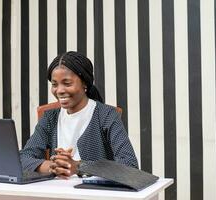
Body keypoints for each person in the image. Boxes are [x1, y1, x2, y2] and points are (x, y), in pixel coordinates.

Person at [20, 51, 138, 179]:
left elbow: (129, 165)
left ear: (85, 83)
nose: (59, 90)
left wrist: (78, 167)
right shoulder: (50, 118)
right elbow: (23, 158)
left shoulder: (106, 115)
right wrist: (54, 166)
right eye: (54, 84)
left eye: (67, 83)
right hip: (56, 192)